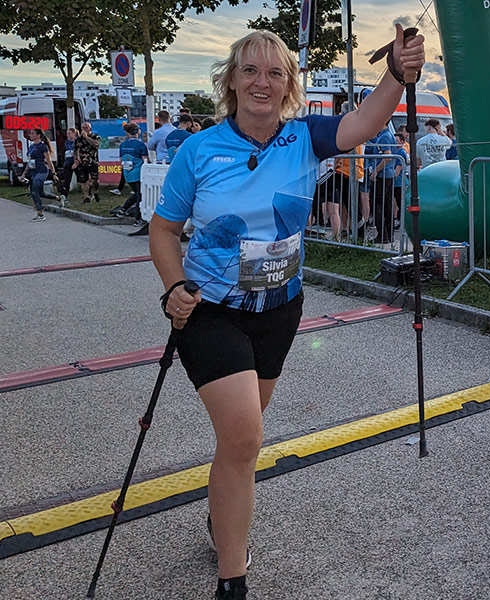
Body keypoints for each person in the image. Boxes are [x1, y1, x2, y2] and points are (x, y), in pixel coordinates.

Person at [148, 26, 425, 600]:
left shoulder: (302, 138)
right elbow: (164, 228)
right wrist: (173, 284)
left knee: (236, 443)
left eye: (275, 73)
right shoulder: (199, 149)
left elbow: (363, 124)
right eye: (250, 70)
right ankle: (233, 577)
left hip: (279, 309)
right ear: (230, 80)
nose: (262, 82)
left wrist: (396, 75)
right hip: (210, 310)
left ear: (288, 86)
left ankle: (220, 514)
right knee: (248, 437)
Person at [367, 122, 396, 243]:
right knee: (387, 204)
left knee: (376, 204)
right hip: (389, 174)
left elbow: (387, 157)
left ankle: (382, 234)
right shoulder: (388, 135)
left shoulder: (384, 136)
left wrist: (376, 171)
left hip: (383, 174)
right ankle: (388, 234)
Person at [116, 122, 149, 226]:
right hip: (138, 174)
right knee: (140, 196)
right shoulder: (141, 145)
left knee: (137, 194)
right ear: (137, 131)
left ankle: (122, 210)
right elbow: (145, 160)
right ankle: (138, 219)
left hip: (127, 174)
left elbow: (121, 160)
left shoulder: (123, 145)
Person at [23, 129, 60, 221]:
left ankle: (40, 214)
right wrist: (24, 174)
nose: (30, 135)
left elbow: (48, 161)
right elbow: (29, 161)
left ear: (38, 135)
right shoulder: (31, 146)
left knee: (34, 192)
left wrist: (54, 173)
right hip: (33, 171)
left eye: (32, 133)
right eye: (29, 133)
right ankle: (58, 198)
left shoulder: (42, 146)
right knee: (40, 193)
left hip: (41, 171)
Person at [72, 120, 101, 203]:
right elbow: (75, 149)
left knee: (94, 180)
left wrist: (87, 137)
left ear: (90, 128)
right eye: (83, 128)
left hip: (93, 161)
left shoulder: (95, 136)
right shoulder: (78, 139)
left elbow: (95, 144)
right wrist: (76, 159)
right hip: (82, 162)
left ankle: (95, 192)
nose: (84, 129)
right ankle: (86, 196)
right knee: (83, 180)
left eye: (86, 128)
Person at [57, 127, 78, 205]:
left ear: (74, 133)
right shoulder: (66, 142)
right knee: (67, 180)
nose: (67, 135)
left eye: (69, 133)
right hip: (67, 162)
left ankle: (88, 194)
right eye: (67, 133)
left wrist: (76, 162)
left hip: (75, 162)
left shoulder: (77, 142)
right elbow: (63, 151)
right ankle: (65, 196)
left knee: (83, 178)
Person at [392, 131, 408, 229]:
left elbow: (398, 168)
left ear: (402, 142)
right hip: (396, 183)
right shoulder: (396, 151)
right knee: (397, 202)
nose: (395, 143)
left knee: (400, 202)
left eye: (397, 141)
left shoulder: (401, 152)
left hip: (399, 182)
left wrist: (392, 178)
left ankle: (402, 222)